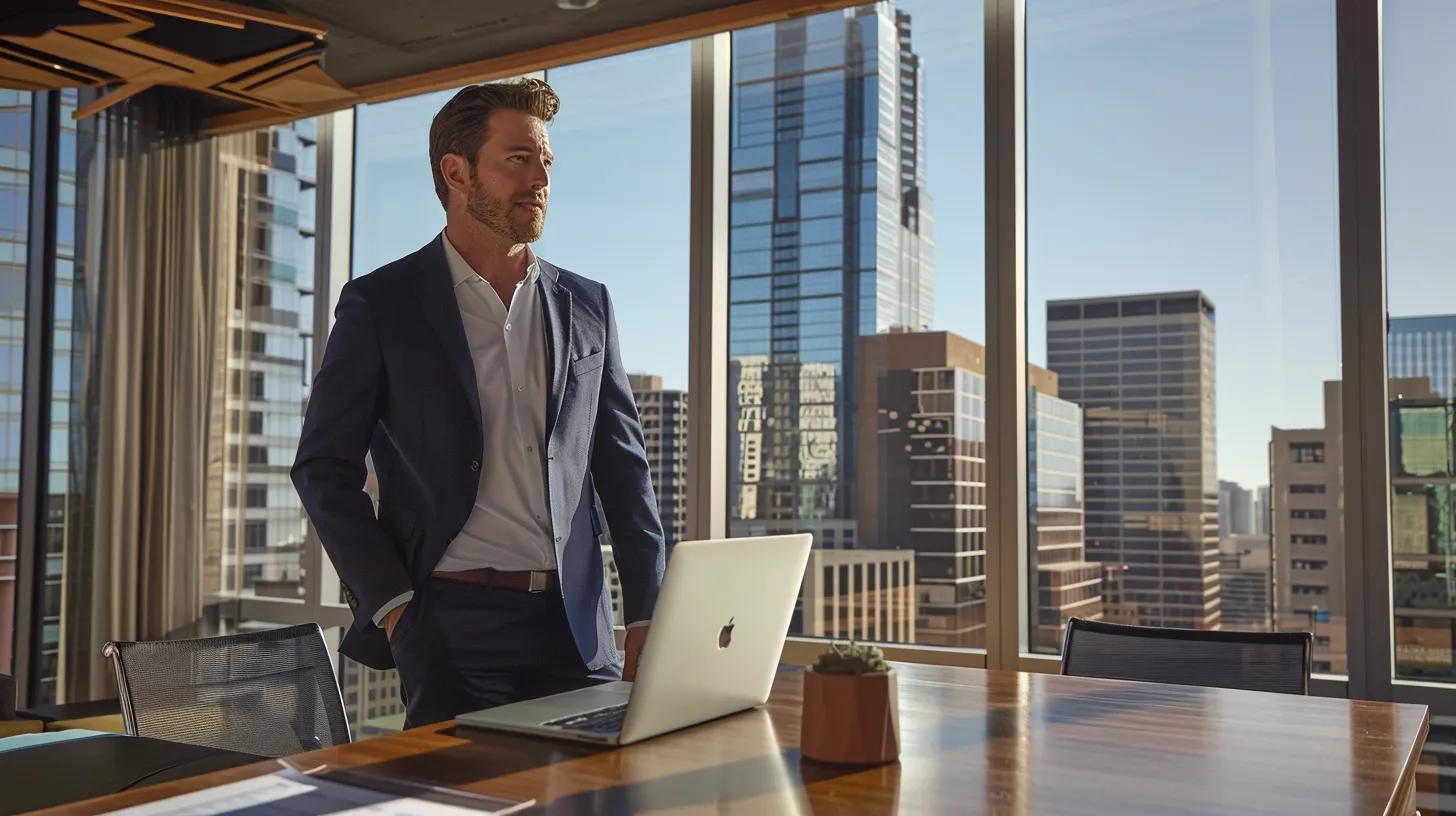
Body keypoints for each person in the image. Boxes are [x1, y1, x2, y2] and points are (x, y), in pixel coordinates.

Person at [292, 78, 665, 727]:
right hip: (447, 627)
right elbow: (323, 466)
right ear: (456, 172)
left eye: (545, 160)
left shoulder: (588, 305)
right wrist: (396, 604)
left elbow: (623, 473)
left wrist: (647, 611)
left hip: (578, 625)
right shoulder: (383, 303)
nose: (540, 178)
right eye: (518, 159)